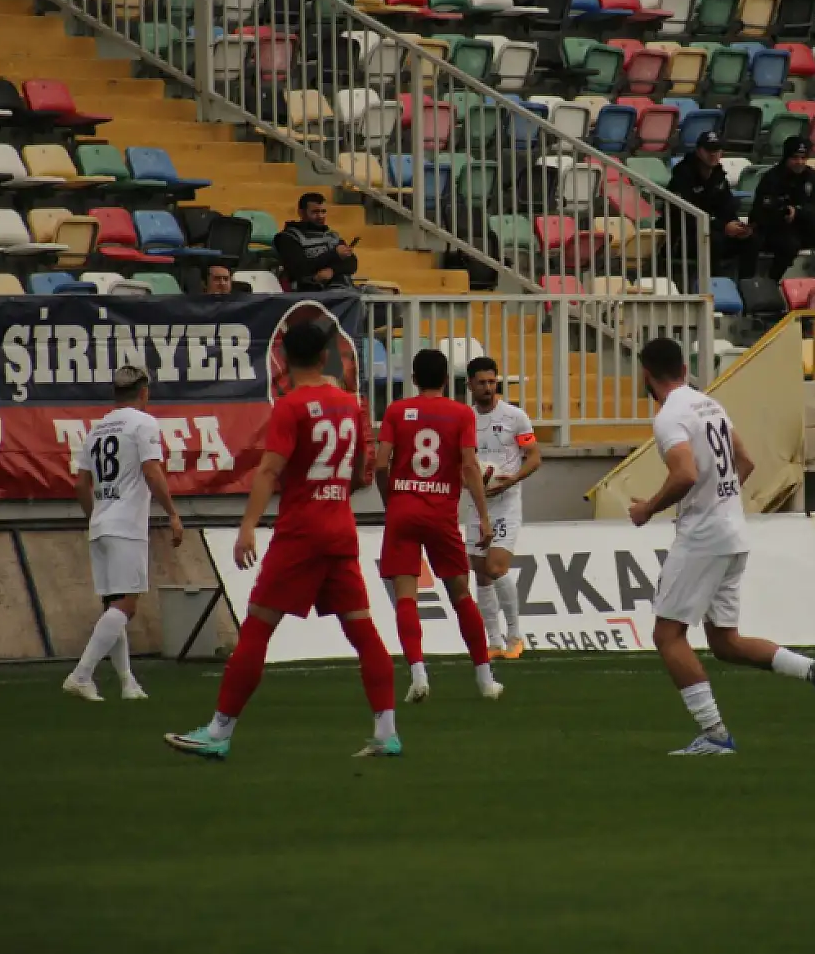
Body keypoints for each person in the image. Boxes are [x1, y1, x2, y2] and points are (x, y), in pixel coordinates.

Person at [165, 320, 401, 759]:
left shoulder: (291, 407)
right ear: (325, 357)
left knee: (257, 626)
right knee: (363, 630)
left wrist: (248, 526)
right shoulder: (350, 405)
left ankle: (218, 733)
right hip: (339, 528)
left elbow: (270, 470)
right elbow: (356, 473)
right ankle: (386, 732)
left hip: (301, 531)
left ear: (283, 361)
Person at [628, 337, 815, 755]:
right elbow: (745, 461)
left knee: (668, 635)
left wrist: (649, 510)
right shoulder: (709, 404)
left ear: (646, 373)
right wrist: (722, 503)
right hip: (732, 530)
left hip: (703, 536)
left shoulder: (669, 417)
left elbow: (684, 474)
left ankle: (715, 735)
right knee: (725, 642)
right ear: (684, 369)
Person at [375, 348, 502, 703]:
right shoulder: (461, 413)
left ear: (413, 379)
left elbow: (381, 464)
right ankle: (485, 679)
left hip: (403, 509)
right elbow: (469, 466)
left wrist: (392, 503)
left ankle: (418, 674)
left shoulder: (397, 411)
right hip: (441, 514)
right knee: (461, 593)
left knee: (405, 597)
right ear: (447, 380)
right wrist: (483, 515)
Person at [63, 366, 183, 703]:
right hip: (126, 525)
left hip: (100, 524)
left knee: (114, 605)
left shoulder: (97, 429)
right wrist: (173, 513)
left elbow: (80, 484)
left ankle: (128, 682)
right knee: (127, 606)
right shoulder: (143, 423)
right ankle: (81, 674)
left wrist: (96, 516)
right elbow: (152, 470)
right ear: (143, 392)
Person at [461, 356, 540, 660]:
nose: (488, 387)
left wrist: (510, 482)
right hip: (477, 504)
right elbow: (460, 463)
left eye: (492, 381)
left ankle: (516, 634)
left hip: (506, 503)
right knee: (480, 573)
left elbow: (534, 457)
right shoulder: (464, 420)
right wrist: (470, 484)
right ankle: (493, 641)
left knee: (496, 568)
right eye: (481, 382)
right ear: (469, 384)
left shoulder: (515, 417)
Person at [749, 137, 815, 282]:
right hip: (774, 230)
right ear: (786, 157)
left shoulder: (812, 177)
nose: (800, 162)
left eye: (803, 158)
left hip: (800, 227)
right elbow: (760, 213)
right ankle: (770, 282)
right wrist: (783, 210)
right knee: (790, 243)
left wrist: (797, 211)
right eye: (795, 158)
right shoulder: (772, 178)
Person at [668, 130, 754, 279]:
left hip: (715, 230)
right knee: (714, 240)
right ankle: (714, 286)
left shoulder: (719, 175)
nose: (713, 154)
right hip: (683, 237)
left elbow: (727, 206)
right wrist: (723, 227)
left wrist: (736, 225)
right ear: (699, 151)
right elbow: (686, 216)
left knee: (751, 239)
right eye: (709, 150)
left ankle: (746, 285)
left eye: (717, 150)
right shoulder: (683, 175)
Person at [273, 191, 358, 291]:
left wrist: (333, 270)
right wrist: (334, 255)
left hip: (343, 287)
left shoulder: (332, 236)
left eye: (323, 211)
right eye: (315, 212)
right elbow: (299, 268)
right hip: (311, 291)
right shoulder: (288, 237)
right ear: (301, 213)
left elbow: (351, 263)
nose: (321, 216)